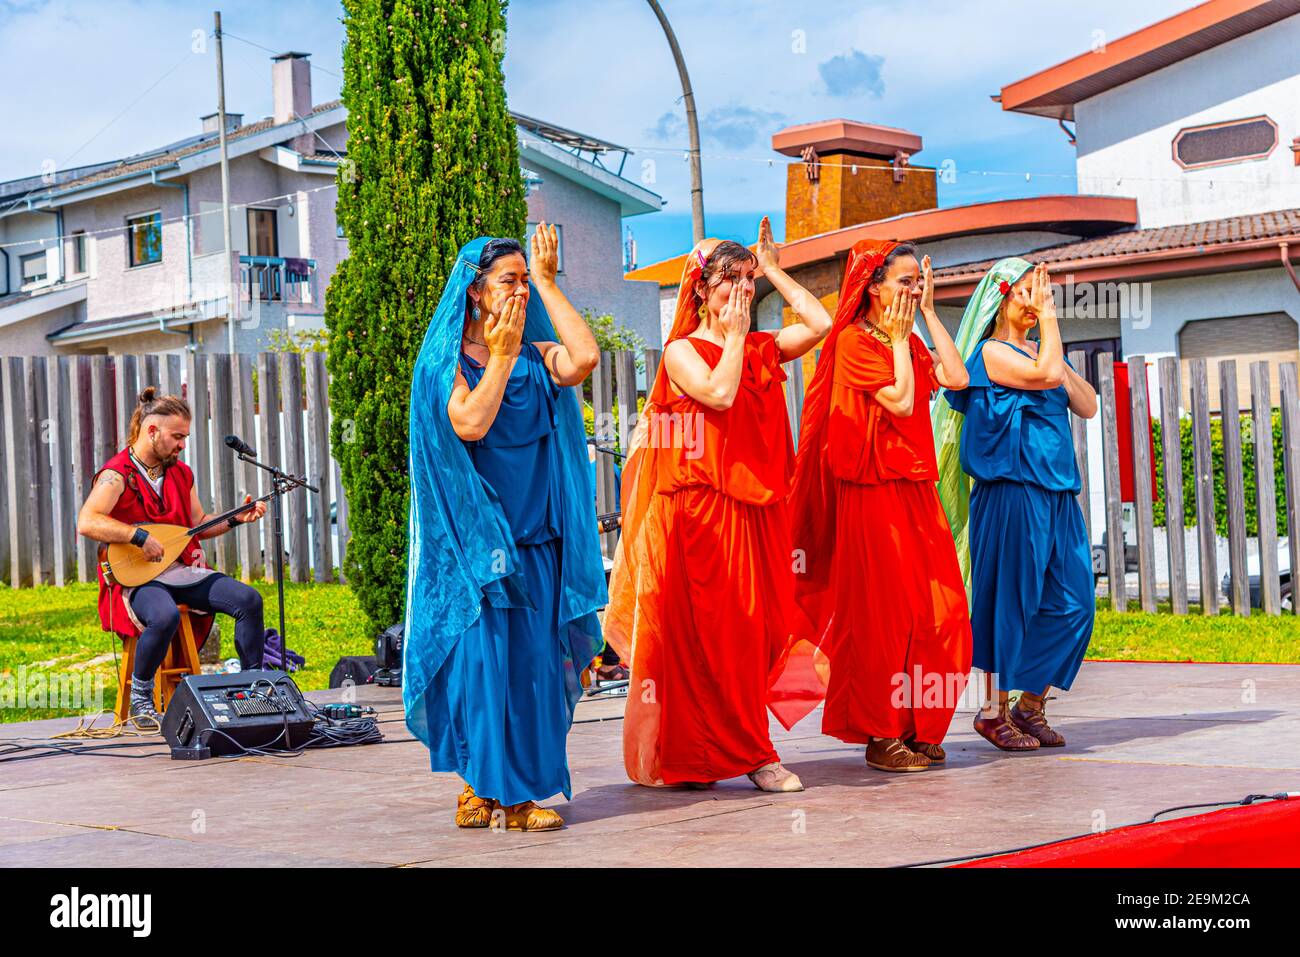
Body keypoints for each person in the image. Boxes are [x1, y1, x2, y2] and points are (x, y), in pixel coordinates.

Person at [605, 217, 832, 791]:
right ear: (701, 289)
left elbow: (821, 323)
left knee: (757, 635)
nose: (742, 290)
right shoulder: (681, 352)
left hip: (758, 512)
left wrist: (775, 269)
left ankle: (736, 749)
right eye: (730, 279)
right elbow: (720, 393)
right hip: (700, 516)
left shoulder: (760, 347)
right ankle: (735, 754)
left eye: (748, 280)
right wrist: (733, 337)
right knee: (707, 640)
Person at [403, 226, 606, 831]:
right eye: (507, 281)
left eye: (524, 281)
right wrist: (500, 354)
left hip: (537, 538)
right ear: (475, 291)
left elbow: (585, 359)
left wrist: (547, 282)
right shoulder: (445, 361)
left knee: (534, 668)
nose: (518, 292)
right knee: (484, 668)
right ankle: (487, 787)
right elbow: (470, 422)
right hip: (478, 547)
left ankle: (512, 795)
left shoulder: (539, 355)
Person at [782, 239, 972, 772]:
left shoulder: (905, 339)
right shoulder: (852, 342)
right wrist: (899, 340)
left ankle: (917, 723)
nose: (913, 289)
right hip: (870, 491)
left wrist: (929, 313)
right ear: (873, 287)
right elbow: (904, 402)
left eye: (918, 282)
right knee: (881, 618)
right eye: (905, 282)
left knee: (941, 611)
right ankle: (881, 734)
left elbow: (957, 378)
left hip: (916, 488)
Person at [935, 259, 1098, 751]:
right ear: (1001, 298)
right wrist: (1049, 330)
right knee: (1008, 603)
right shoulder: (991, 353)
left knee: (1075, 604)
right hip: (1011, 492)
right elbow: (1045, 374)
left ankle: (1030, 705)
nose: (1037, 301)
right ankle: (992, 711)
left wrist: (1051, 342)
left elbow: (1087, 404)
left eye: (1042, 292)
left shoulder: (1044, 354)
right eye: (1027, 292)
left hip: (1058, 493)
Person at [77, 387, 268, 721]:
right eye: (177, 437)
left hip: (180, 570)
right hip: (136, 578)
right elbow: (87, 521)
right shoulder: (116, 474)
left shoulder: (181, 473)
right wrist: (137, 536)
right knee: (164, 615)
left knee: (248, 600)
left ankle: (254, 690)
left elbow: (197, 525)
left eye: (185, 438)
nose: (182, 445)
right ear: (152, 431)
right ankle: (141, 698)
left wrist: (236, 518)